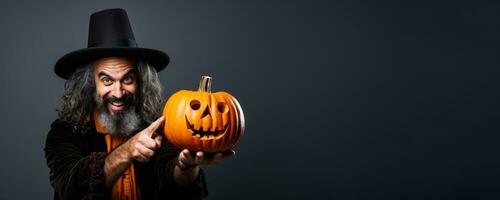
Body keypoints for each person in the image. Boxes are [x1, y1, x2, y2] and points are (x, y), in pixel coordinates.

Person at [44, 8, 234, 200]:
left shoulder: (162, 127)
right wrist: (128, 150)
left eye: (127, 79)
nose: (118, 93)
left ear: (142, 81)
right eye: (107, 81)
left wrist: (186, 166)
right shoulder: (63, 133)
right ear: (90, 84)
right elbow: (71, 190)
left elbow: (173, 183)